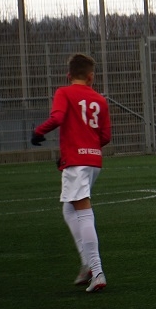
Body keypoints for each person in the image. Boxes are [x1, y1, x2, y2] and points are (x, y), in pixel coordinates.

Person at [31, 53, 111, 292]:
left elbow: (58, 117)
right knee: (69, 208)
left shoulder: (64, 93)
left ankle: (96, 271)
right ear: (91, 77)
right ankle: (87, 263)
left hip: (77, 162)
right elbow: (105, 137)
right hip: (93, 161)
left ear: (69, 75)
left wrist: (38, 132)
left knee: (83, 212)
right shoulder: (100, 100)